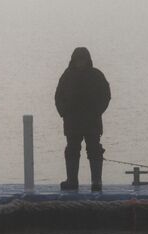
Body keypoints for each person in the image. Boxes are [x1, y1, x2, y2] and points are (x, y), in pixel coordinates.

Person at [55, 47, 111, 191]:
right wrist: (64, 113)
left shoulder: (97, 75)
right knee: (72, 150)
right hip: (72, 123)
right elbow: (58, 96)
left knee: (95, 149)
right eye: (78, 60)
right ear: (73, 61)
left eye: (83, 60)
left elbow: (106, 95)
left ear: (88, 60)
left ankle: (96, 182)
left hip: (92, 122)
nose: (80, 63)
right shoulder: (66, 76)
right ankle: (72, 181)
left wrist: (97, 111)